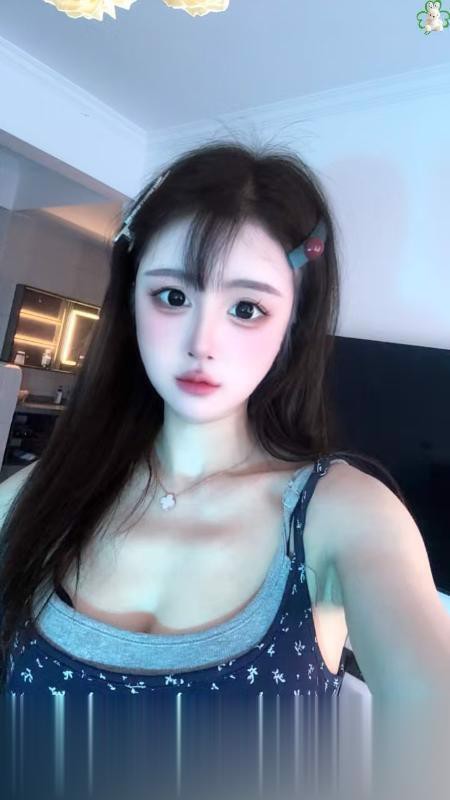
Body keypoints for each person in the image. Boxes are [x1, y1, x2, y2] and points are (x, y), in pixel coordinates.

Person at [0, 142, 446, 716]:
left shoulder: (345, 515)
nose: (201, 344)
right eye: (172, 296)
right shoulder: (32, 495)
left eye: (246, 309)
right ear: (131, 302)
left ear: (292, 324)